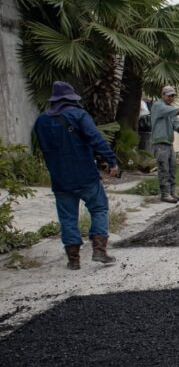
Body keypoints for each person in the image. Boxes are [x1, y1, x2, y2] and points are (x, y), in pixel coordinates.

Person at [33, 81, 121, 270]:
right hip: (85, 175)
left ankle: (73, 260)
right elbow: (96, 138)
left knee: (67, 218)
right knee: (99, 209)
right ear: (71, 99)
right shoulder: (78, 115)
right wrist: (111, 161)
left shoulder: (41, 121)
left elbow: (43, 149)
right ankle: (99, 251)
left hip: (60, 178)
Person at [150, 86, 179, 203]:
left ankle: (172, 193)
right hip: (159, 144)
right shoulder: (158, 106)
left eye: (173, 96)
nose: (171, 98)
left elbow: (176, 125)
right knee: (163, 169)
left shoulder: (169, 109)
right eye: (169, 95)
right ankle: (165, 194)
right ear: (163, 95)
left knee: (172, 169)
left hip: (169, 144)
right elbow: (175, 112)